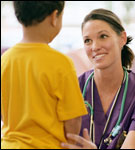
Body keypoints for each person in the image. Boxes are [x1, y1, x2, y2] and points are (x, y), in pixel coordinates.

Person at [61, 8, 135, 149]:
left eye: (103, 36)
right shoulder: (73, 89)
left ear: (122, 38)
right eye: (87, 40)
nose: (95, 46)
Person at [1, 1, 88, 149]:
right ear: (54, 17)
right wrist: (70, 144)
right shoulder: (61, 63)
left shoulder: (5, 59)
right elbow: (73, 119)